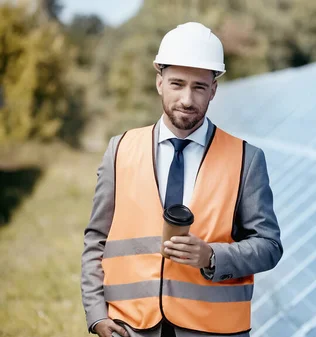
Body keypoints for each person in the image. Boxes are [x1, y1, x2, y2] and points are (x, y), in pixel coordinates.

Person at [80, 22, 283, 337]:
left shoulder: (246, 159)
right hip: (130, 329)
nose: (187, 99)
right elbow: (97, 240)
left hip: (213, 330)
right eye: (177, 84)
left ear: (213, 90)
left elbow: (269, 246)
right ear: (159, 82)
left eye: (199, 87)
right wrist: (96, 315)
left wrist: (212, 256)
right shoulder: (119, 150)